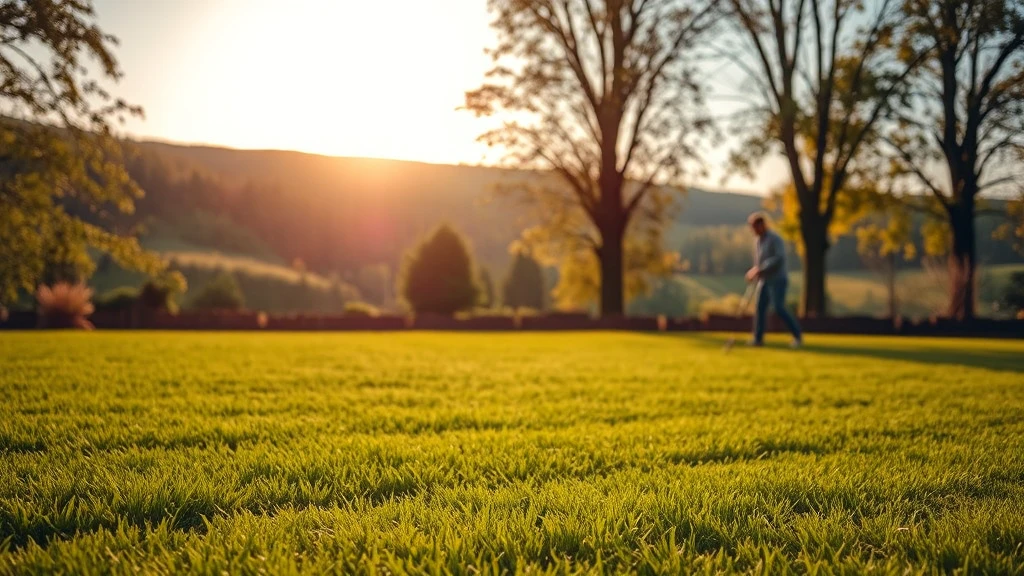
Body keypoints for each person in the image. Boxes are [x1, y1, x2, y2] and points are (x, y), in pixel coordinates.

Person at [745, 212, 803, 347]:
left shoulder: (774, 239)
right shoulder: (758, 241)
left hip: (777, 279)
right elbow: (759, 262)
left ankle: (797, 336)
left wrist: (760, 269)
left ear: (761, 225)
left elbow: (779, 258)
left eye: (754, 227)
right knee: (760, 309)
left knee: (778, 307)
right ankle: (758, 339)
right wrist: (754, 271)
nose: (753, 231)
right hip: (764, 280)